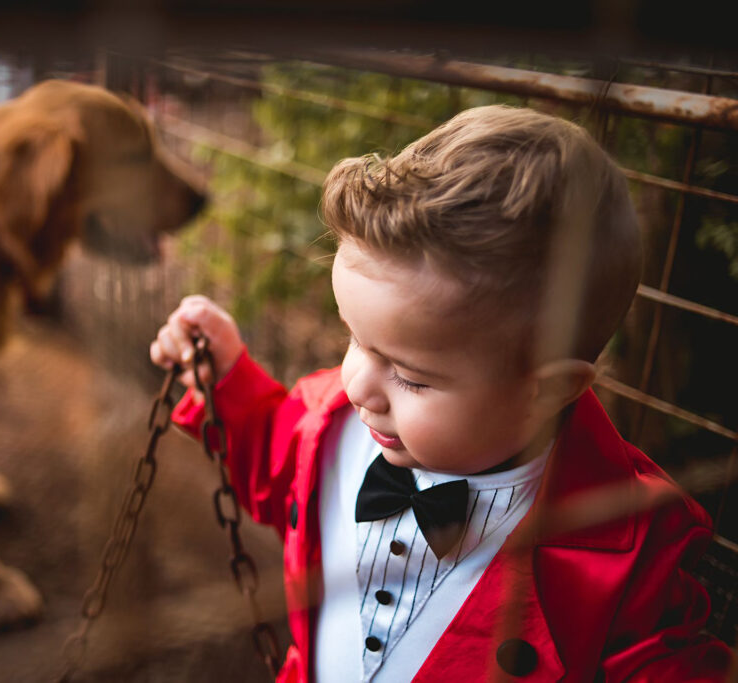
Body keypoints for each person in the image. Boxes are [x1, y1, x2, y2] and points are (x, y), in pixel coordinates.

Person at [150, 105, 733, 682]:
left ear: (548, 389)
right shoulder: (329, 418)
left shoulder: (624, 553)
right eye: (354, 337)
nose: (357, 385)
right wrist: (225, 380)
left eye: (411, 376)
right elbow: (280, 460)